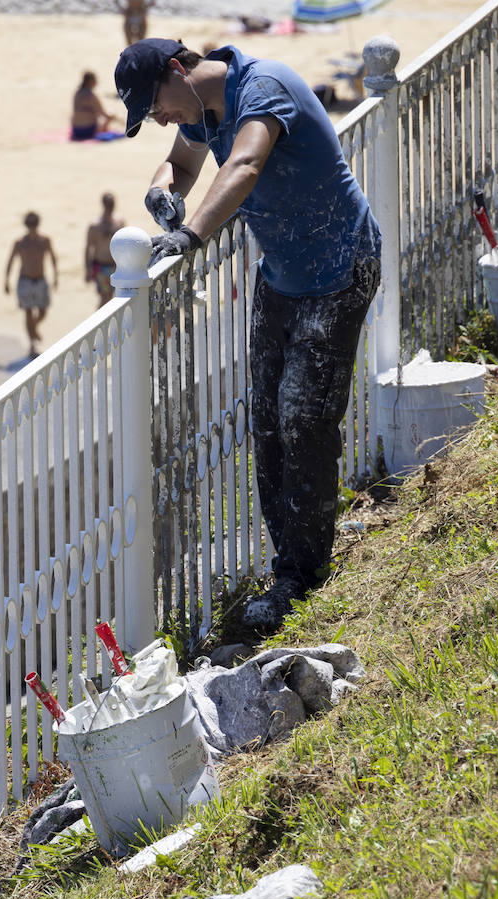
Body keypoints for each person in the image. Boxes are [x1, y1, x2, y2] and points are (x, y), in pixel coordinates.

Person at [115, 39, 381, 631]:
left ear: (178, 71)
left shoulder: (261, 89)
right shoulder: (202, 107)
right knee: (267, 421)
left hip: (340, 267)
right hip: (284, 276)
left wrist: (191, 235)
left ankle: (303, 577)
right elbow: (183, 164)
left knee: (303, 419)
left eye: (155, 106)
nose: (160, 119)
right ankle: (293, 565)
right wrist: (165, 192)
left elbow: (245, 164)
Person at [3, 211, 58, 358]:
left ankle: (33, 328)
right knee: (28, 312)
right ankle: (32, 344)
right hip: (25, 281)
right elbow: (11, 261)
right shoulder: (20, 243)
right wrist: (6, 280)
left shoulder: (44, 241)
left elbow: (53, 258)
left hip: (40, 279)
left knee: (43, 311)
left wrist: (56, 276)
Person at [85, 192, 124, 307]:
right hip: (101, 266)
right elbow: (88, 248)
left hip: (115, 265)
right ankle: (98, 322)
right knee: (105, 297)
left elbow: (125, 244)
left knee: (111, 296)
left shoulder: (119, 223)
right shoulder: (95, 226)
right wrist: (88, 269)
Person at [71, 72, 119, 141]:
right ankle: (104, 131)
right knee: (110, 114)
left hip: (76, 130)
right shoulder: (91, 95)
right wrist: (115, 117)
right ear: (90, 81)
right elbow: (103, 113)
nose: (97, 82)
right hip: (88, 130)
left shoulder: (77, 93)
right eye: (95, 80)